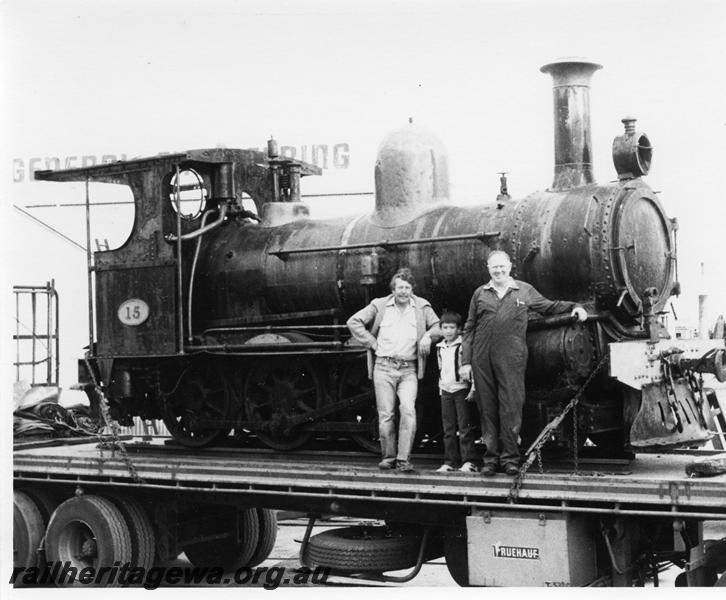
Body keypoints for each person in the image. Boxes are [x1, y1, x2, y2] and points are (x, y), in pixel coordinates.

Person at [460, 250, 587, 477]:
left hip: (512, 358)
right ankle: (490, 460)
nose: (498, 271)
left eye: (502, 267)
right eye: (494, 267)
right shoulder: (480, 293)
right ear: (488, 269)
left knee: (511, 407)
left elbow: (549, 307)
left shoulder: (524, 290)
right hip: (481, 359)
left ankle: (509, 459)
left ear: (509, 266)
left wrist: (575, 306)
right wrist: (466, 362)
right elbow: (469, 329)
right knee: (487, 409)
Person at [347, 268, 441, 472]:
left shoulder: (422, 306)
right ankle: (388, 458)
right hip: (384, 367)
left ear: (412, 289)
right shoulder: (379, 305)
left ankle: (403, 459)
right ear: (393, 288)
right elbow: (353, 322)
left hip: (408, 369)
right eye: (400, 287)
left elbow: (437, 326)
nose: (404, 292)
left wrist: (427, 337)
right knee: (386, 414)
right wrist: (371, 342)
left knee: (408, 410)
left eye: (407, 287)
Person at [434, 311, 479, 473]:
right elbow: (440, 369)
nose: (448, 331)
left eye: (452, 327)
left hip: (461, 390)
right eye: (445, 327)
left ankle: (469, 461)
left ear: (459, 329)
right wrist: (441, 388)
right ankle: (450, 461)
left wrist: (472, 387)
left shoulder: (463, 345)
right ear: (440, 329)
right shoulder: (439, 347)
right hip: (445, 390)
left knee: (465, 427)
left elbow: (470, 367)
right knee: (448, 429)